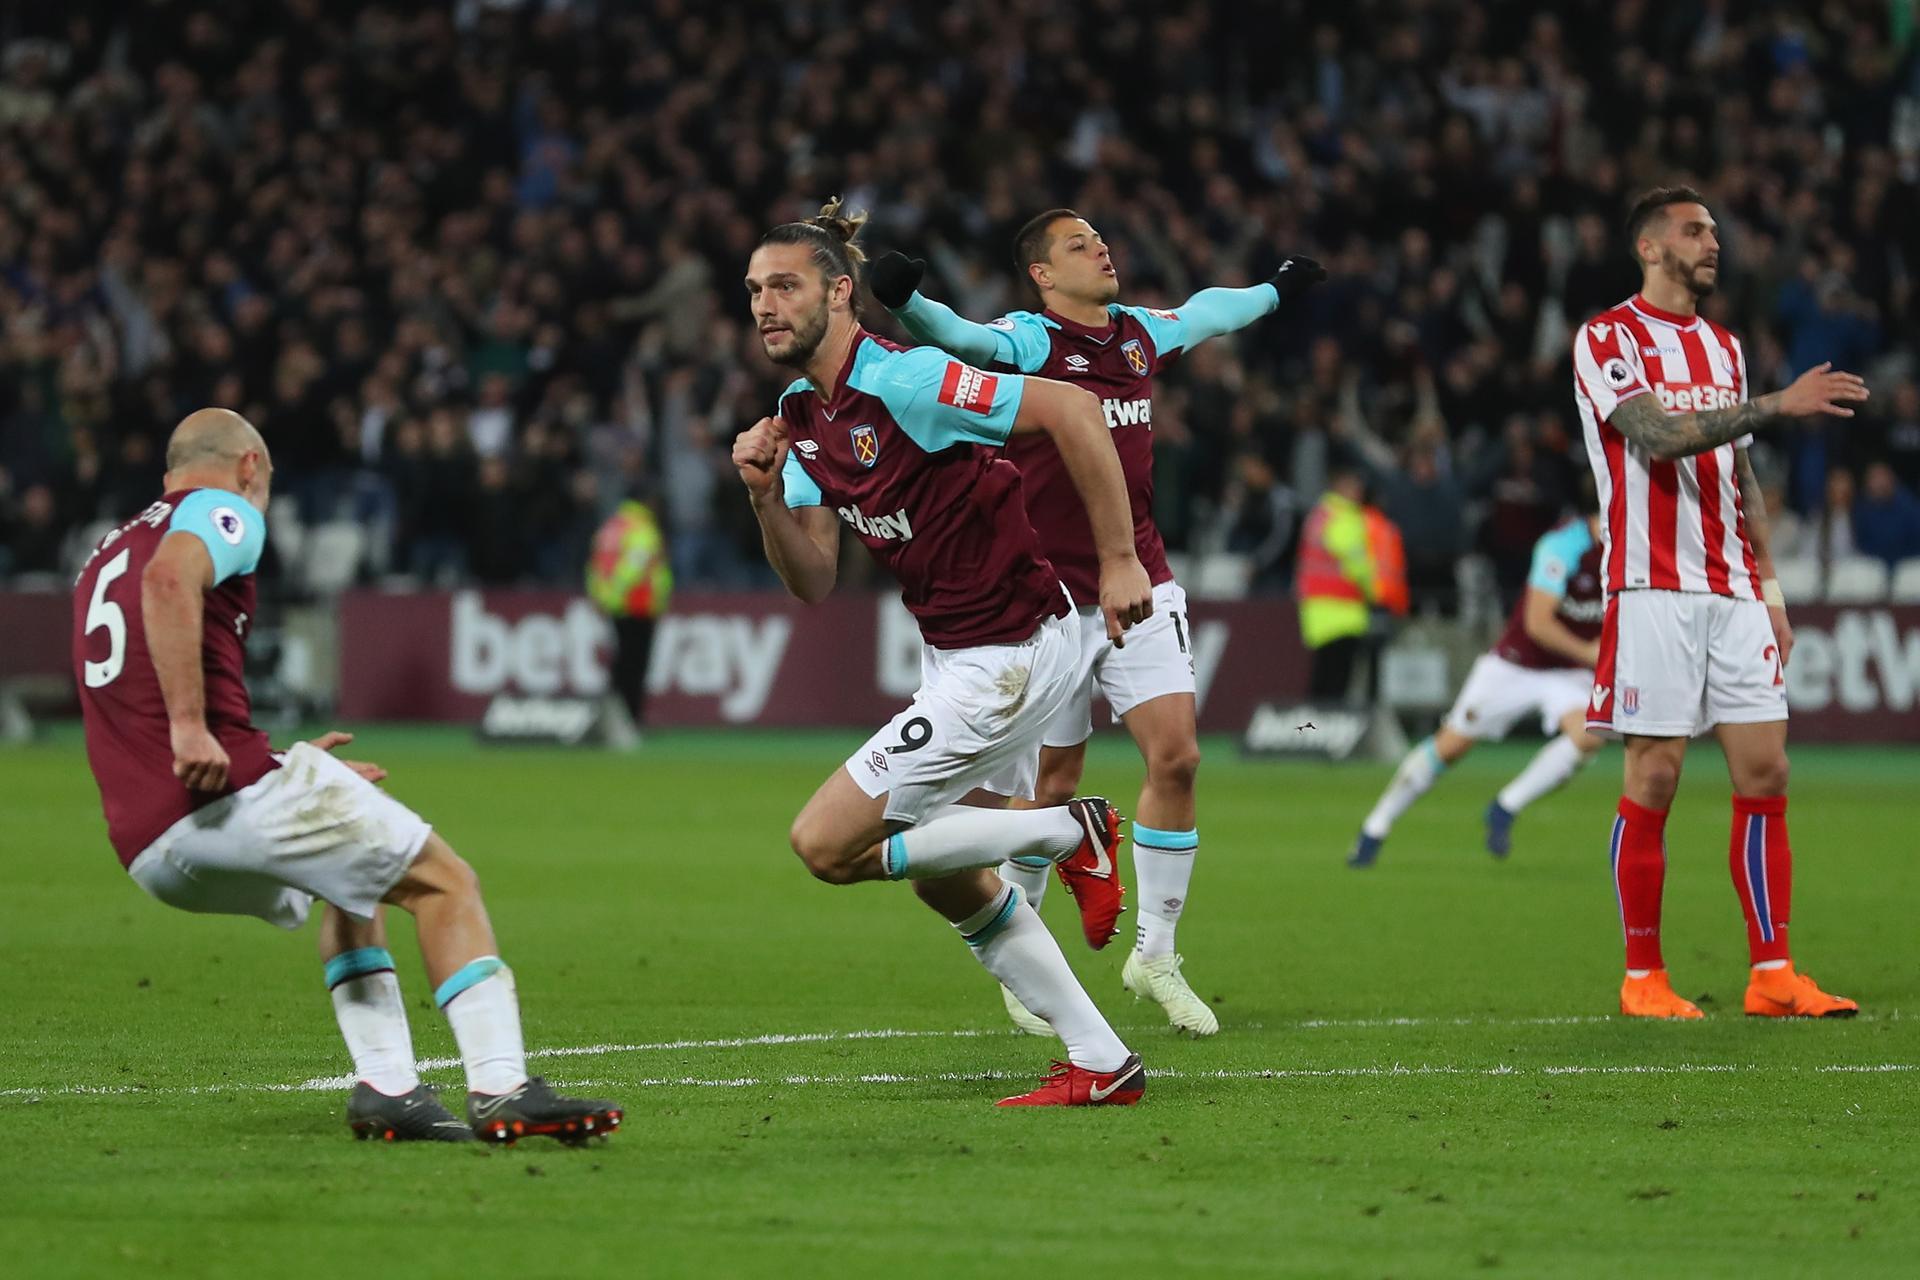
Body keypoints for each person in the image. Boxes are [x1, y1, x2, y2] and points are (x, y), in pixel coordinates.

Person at [73, 408, 621, 1142]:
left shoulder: (104, 551)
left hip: (147, 843)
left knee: (350, 875)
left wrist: (275, 761)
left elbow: (138, 670)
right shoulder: (222, 510)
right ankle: (502, 1085)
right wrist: (193, 729)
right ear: (249, 469)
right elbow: (173, 581)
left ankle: (387, 1086)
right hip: (211, 798)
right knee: (445, 881)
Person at [732, 201, 1155, 1106]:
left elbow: (1079, 411)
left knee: (824, 844)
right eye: (756, 291)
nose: (766, 306)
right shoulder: (801, 414)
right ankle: (1101, 1062)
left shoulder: (910, 380)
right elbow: (812, 581)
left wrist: (1120, 560)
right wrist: (766, 499)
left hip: (1011, 649)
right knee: (948, 879)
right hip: (958, 651)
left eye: (786, 286)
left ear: (841, 293)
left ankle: (1064, 831)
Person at [874, 217, 1324, 1036]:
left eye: (1101, 239)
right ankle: (1029, 955)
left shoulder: (1138, 336)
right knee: (1053, 788)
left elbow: (1206, 313)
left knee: (1178, 757)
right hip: (1045, 605)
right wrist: (907, 300)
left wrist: (1275, 290)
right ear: (1043, 275)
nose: (1103, 249)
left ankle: (1154, 954)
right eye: (1080, 244)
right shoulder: (1028, 339)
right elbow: (959, 336)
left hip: (1141, 580)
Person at [1573, 186, 1870, 1019]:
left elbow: (1741, 475)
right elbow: (1658, 436)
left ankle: (1772, 974)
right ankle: (1643, 980)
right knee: (1656, 773)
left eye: (1713, 231)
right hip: (1651, 585)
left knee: (1767, 770)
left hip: (1734, 585)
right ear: (1649, 247)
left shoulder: (1727, 349)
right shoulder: (1608, 338)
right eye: (1693, 231)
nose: (1713, 243)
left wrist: (1770, 587)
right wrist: (1782, 403)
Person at [1349, 497, 1607, 868]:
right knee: (1451, 746)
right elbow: (1538, 623)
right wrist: (1590, 653)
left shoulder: (1634, 550)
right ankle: (1377, 824)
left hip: (1569, 672)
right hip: (1516, 664)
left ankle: (1505, 806)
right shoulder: (1563, 545)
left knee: (1589, 734)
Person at [587, 495, 674, 730]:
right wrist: (620, 593)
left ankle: (613, 716)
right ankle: (629, 719)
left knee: (623, 661)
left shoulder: (610, 528)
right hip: (638, 605)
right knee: (635, 665)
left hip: (615, 605)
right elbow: (636, 567)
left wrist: (602, 597)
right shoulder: (643, 529)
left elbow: (595, 565)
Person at [1296, 464, 1381, 702]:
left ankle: (1312, 731)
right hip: (1343, 612)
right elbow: (1358, 564)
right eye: (1355, 485)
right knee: (1337, 683)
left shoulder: (1319, 515)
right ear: (1342, 486)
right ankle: (1327, 733)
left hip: (1317, 611)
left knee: (1322, 678)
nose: (1359, 491)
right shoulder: (1345, 517)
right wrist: (1377, 590)